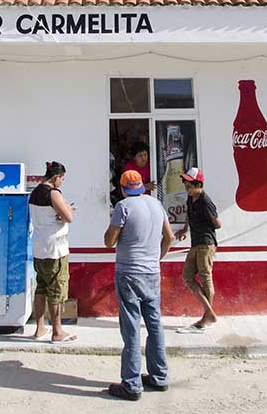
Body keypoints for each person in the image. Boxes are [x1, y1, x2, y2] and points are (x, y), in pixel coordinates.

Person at [104, 169, 173, 401]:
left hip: (129, 273)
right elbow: (170, 237)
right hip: (152, 272)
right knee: (154, 324)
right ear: (142, 186)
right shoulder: (156, 204)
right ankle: (159, 376)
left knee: (131, 327)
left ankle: (132, 384)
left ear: (123, 188)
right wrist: (157, 257)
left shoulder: (123, 207)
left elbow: (109, 241)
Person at [28, 161, 76, 342]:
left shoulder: (34, 193)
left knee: (41, 287)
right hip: (55, 249)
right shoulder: (53, 194)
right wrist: (69, 209)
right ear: (56, 177)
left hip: (39, 247)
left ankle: (40, 328)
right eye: (62, 179)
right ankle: (57, 331)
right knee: (56, 289)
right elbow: (69, 217)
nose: (62, 182)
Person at [173, 167, 221, 332]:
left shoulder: (205, 201)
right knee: (187, 276)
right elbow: (188, 215)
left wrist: (203, 223)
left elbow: (217, 224)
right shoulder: (190, 198)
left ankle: (207, 316)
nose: (187, 188)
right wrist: (185, 229)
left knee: (205, 277)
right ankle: (209, 312)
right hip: (196, 243)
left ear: (198, 184)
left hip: (206, 243)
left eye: (189, 185)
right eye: (186, 185)